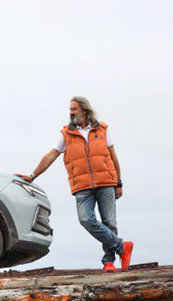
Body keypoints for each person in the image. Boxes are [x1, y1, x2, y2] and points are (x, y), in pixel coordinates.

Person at [17, 96, 133, 271]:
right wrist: (33, 176)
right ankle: (122, 247)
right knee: (86, 219)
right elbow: (51, 155)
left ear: (84, 110)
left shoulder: (102, 129)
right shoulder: (66, 134)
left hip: (106, 182)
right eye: (70, 109)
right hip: (82, 186)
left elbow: (113, 157)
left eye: (74, 109)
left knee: (109, 222)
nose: (70, 112)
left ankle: (109, 262)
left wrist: (119, 183)